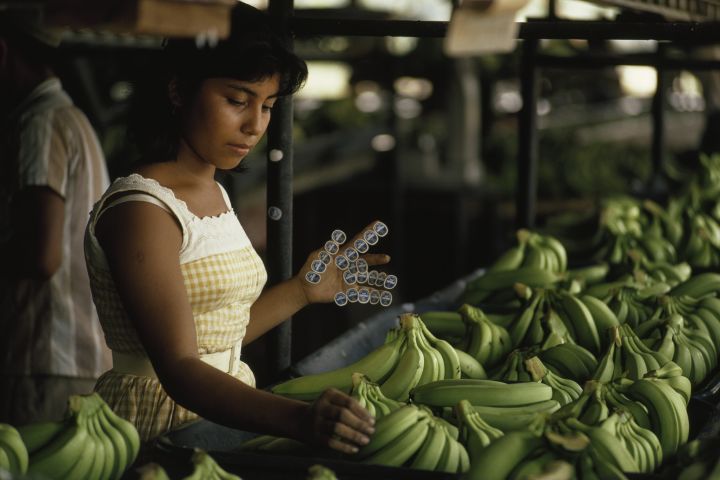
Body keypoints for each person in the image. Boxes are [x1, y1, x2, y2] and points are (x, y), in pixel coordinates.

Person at [84, 4, 387, 453]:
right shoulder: (142, 210)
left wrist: (302, 290)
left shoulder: (214, 191)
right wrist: (301, 419)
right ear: (178, 90)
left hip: (219, 414)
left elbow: (216, 337)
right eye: (237, 100)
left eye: (267, 106)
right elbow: (181, 367)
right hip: (158, 425)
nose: (255, 125)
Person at [0, 10, 112, 424]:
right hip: (77, 359)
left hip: (45, 360)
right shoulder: (71, 119)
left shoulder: (39, 124)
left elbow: (40, 255)